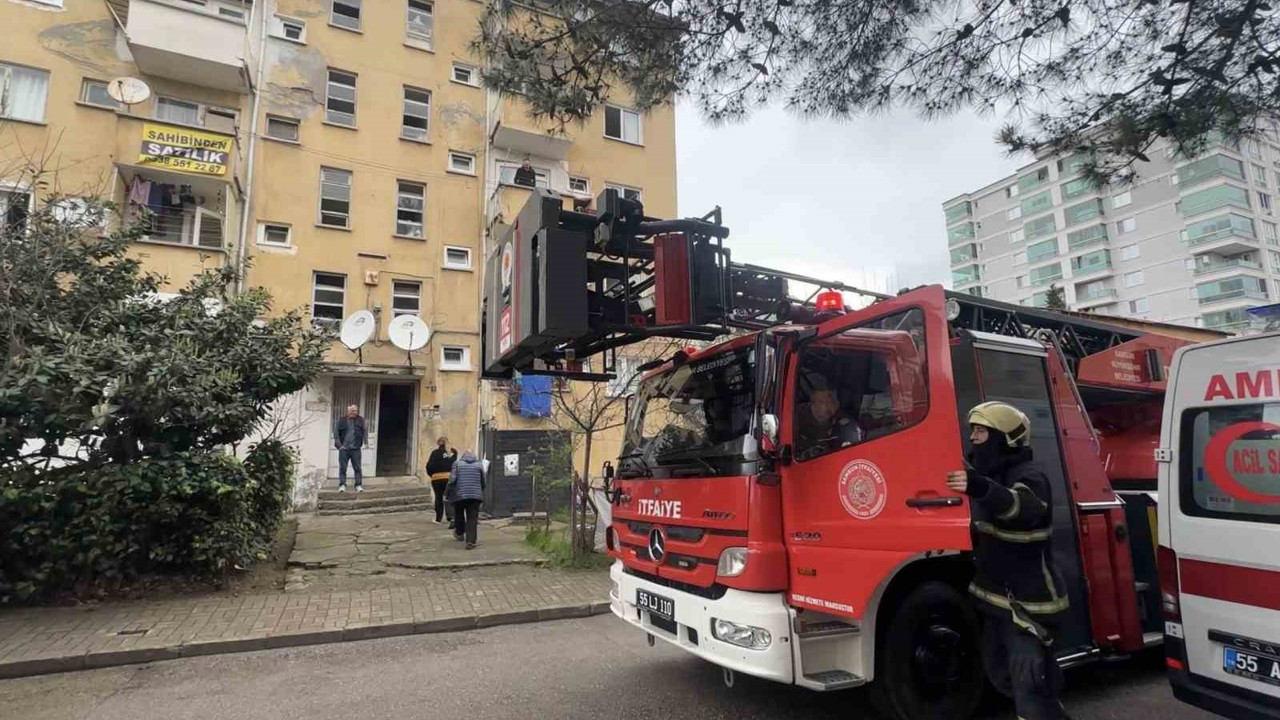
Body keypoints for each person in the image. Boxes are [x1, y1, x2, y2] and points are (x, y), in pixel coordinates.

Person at [945, 401, 1069, 720]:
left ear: (1005, 437)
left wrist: (979, 486)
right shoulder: (990, 472)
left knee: (1029, 684)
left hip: (1028, 603)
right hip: (997, 600)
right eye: (973, 430)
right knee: (1000, 674)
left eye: (982, 431)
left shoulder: (1029, 475)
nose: (973, 437)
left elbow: (1021, 508)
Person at [795, 383, 863, 460]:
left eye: (830, 401)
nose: (826, 406)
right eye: (822, 402)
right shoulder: (797, 415)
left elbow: (852, 445)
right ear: (812, 402)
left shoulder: (842, 421)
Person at [446, 450, 486, 549]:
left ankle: (459, 533)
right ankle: (470, 541)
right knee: (472, 518)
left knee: (459, 513)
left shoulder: (457, 464)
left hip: (460, 494)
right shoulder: (479, 465)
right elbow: (483, 481)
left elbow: (452, 479)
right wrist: (480, 491)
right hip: (475, 496)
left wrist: (448, 491)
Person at [333, 404, 366, 492]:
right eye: (353, 411)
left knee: (357, 468)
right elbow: (336, 434)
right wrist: (339, 446)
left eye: (356, 411)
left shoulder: (360, 420)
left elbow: (364, 431)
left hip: (356, 448)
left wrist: (366, 443)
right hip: (344, 449)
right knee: (343, 467)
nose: (355, 413)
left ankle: (358, 485)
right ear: (348, 412)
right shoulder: (341, 420)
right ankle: (342, 484)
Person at [426, 436, 458, 525]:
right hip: (449, 477)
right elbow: (454, 464)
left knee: (438, 497)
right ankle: (451, 516)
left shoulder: (435, 453)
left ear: (438, 443)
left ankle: (438, 518)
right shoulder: (453, 452)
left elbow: (429, 466)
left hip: (437, 478)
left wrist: (432, 475)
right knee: (449, 497)